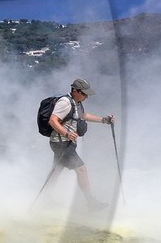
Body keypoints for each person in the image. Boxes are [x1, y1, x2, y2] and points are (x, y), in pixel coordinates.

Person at [45, 77, 115, 208]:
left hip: (66, 142)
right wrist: (66, 133)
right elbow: (53, 120)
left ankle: (45, 198)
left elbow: (84, 116)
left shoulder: (76, 103)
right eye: (84, 93)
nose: (86, 97)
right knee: (81, 170)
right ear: (76, 91)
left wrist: (104, 120)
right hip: (61, 143)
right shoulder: (65, 102)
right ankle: (91, 202)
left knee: (57, 170)